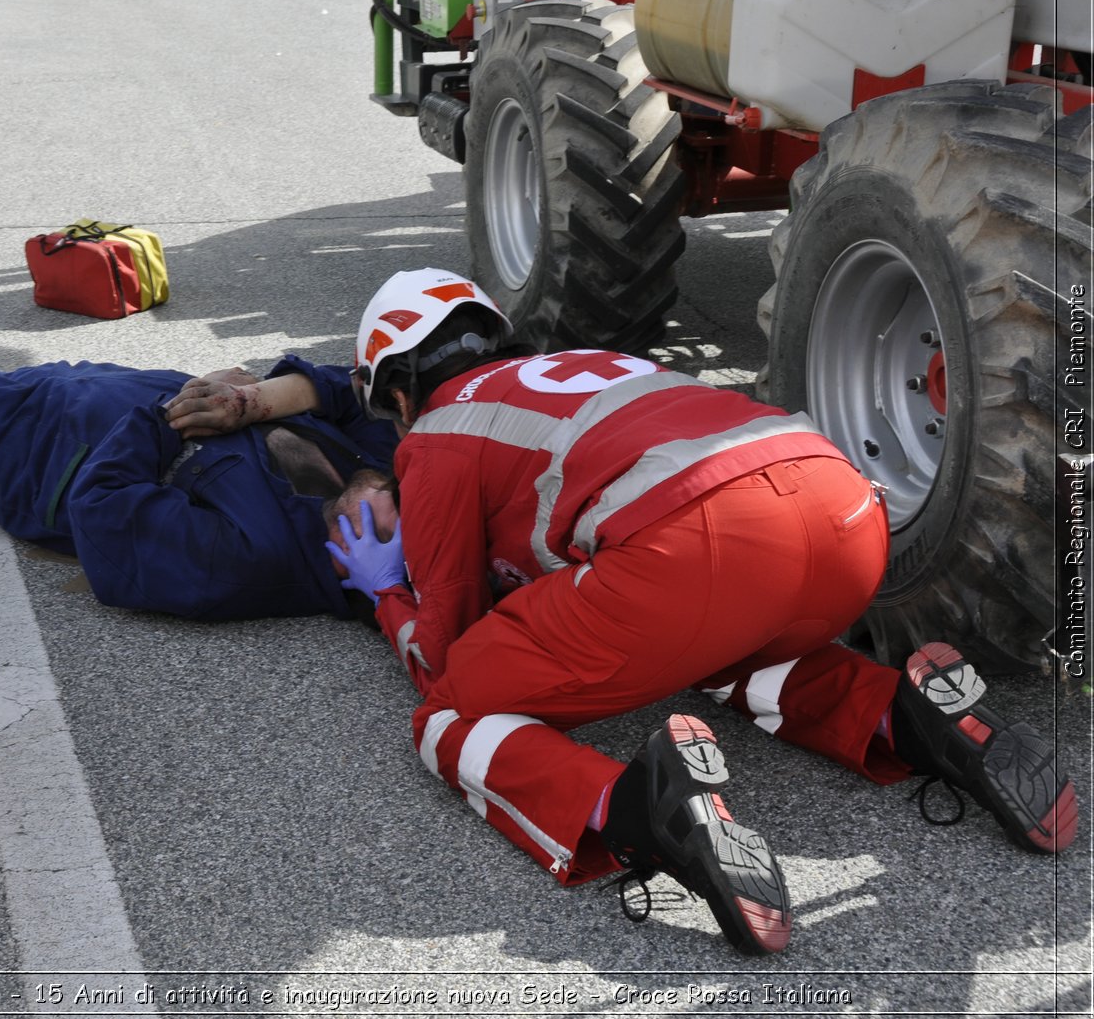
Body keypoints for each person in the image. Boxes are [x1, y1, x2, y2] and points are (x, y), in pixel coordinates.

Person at [325, 267, 1078, 955]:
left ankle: (639, 806)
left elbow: (444, 654)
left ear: (394, 391)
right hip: (842, 512)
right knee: (725, 656)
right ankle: (918, 715)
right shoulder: (585, 371)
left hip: (696, 543)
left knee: (448, 716)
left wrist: (387, 593)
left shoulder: (438, 433)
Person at [0, 310, 399, 621]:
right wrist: (255, 401)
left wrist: (164, 415)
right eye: (405, 488)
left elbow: (103, 510)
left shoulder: (249, 560)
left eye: (399, 518)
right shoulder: (372, 473)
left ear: (366, 567)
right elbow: (353, 388)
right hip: (98, 388)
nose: (400, 488)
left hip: (35, 449)